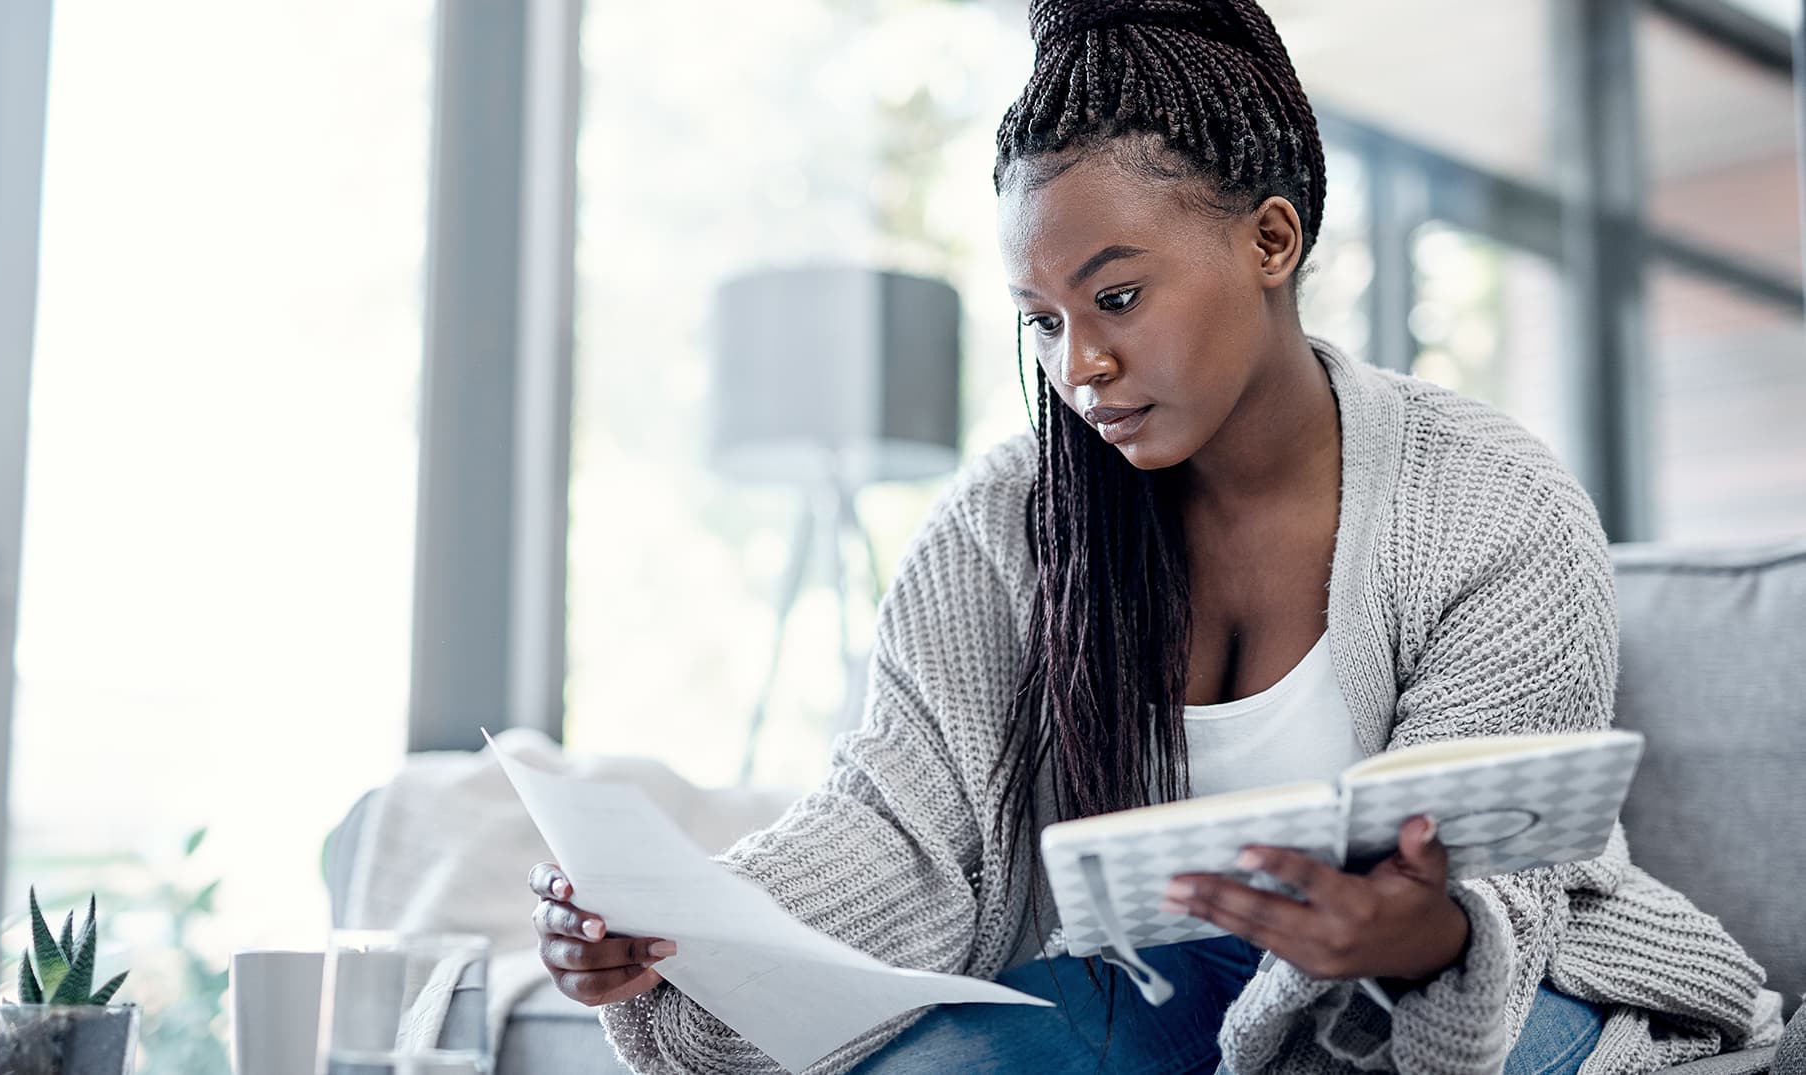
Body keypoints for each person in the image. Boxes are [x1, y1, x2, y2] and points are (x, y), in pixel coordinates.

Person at [528, 1, 1782, 1071]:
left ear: (1272, 239)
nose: (1080, 364)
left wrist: (1418, 934)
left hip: (1465, 993)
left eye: (1117, 297)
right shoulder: (1002, 528)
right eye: (1041, 319)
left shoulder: (1491, 498)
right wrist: (684, 928)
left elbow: (1500, 863)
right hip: (1157, 983)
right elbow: (899, 825)